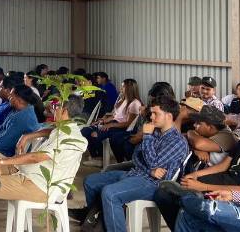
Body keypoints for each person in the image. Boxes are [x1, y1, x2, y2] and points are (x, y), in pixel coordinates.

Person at [0, 95, 88, 232]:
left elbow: (35, 158)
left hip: (40, 186)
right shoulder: (66, 129)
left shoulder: (69, 137)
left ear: (64, 111)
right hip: (27, 173)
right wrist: (30, 135)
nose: (52, 108)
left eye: (56, 106)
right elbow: (51, 132)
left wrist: (3, 162)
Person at [71, 96, 189, 232]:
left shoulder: (177, 141)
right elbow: (136, 156)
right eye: (151, 113)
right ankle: (98, 222)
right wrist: (150, 170)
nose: (151, 117)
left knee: (110, 193)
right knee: (90, 181)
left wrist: (147, 138)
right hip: (138, 174)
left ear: (168, 116)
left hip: (154, 184)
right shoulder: (155, 132)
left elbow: (153, 162)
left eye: (156, 113)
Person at [156, 108, 240, 230]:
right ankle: (188, 200)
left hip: (233, 189)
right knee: (163, 195)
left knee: (188, 206)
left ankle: (189, 198)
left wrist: (204, 187)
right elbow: (224, 165)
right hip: (226, 187)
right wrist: (196, 175)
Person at [108, 81, 175, 163]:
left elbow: (140, 136)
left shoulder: (169, 112)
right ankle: (122, 162)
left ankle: (132, 164)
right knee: (115, 138)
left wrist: (137, 136)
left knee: (127, 144)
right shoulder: (151, 106)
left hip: (151, 137)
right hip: (141, 132)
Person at [82, 78, 142, 159]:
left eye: (123, 87)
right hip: (114, 124)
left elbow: (128, 124)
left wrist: (110, 125)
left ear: (130, 88)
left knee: (95, 134)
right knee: (85, 131)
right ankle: (96, 156)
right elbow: (115, 116)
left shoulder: (135, 103)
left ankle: (100, 157)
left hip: (121, 128)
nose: (120, 88)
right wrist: (103, 120)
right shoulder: (122, 99)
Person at [184, 105, 237, 171]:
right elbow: (184, 137)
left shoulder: (226, 136)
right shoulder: (212, 131)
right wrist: (196, 150)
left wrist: (190, 132)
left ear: (210, 127)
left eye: (199, 123)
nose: (194, 125)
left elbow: (198, 144)